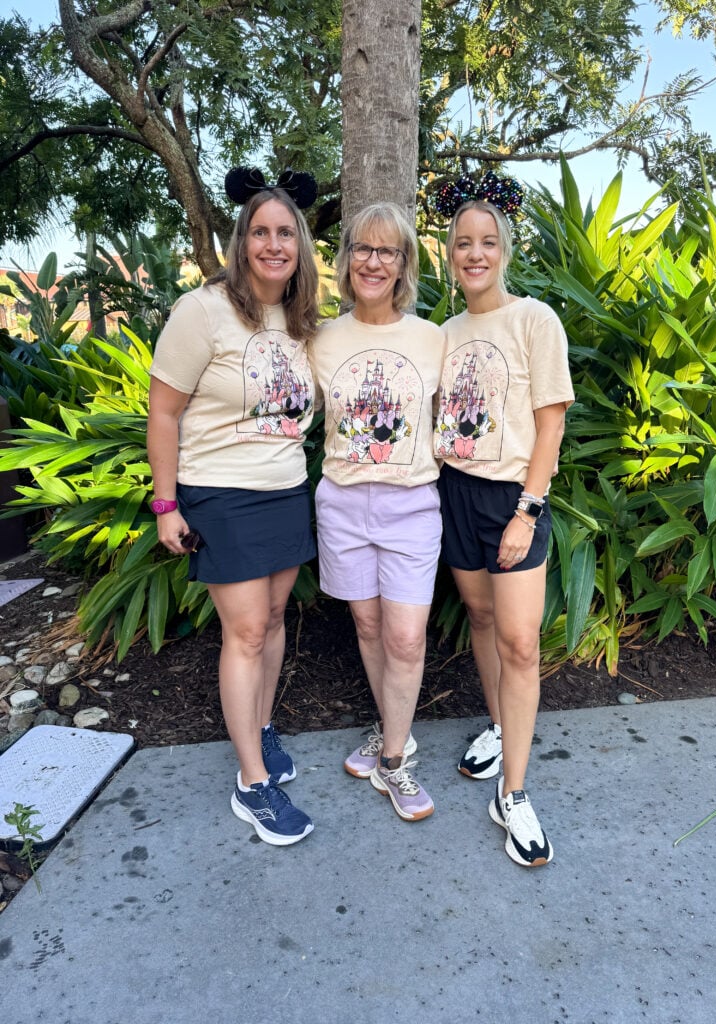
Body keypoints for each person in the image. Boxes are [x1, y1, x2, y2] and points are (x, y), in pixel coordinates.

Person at [147, 167, 319, 846]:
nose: (273, 243)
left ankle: (263, 727)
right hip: (220, 491)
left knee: (273, 618)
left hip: (284, 489)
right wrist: (166, 504)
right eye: (261, 231)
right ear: (241, 240)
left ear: (301, 245)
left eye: (285, 232)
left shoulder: (301, 320)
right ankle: (252, 784)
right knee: (245, 632)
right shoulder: (203, 310)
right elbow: (163, 412)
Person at [434, 172, 574, 866]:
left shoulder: (534, 320)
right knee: (481, 621)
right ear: (450, 252)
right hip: (456, 493)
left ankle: (513, 794)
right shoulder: (446, 331)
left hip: (513, 499)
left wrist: (528, 509)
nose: (475, 253)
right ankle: (496, 725)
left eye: (488, 241)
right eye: (464, 242)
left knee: (520, 644)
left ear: (506, 248)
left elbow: (550, 424)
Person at [310, 202, 445, 822]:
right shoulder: (321, 338)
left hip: (412, 503)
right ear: (346, 259)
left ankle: (395, 762)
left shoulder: (431, 338)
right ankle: (391, 727)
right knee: (367, 627)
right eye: (362, 248)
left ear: (404, 264)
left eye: (387, 251)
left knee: (406, 635)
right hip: (342, 501)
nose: (373, 260)